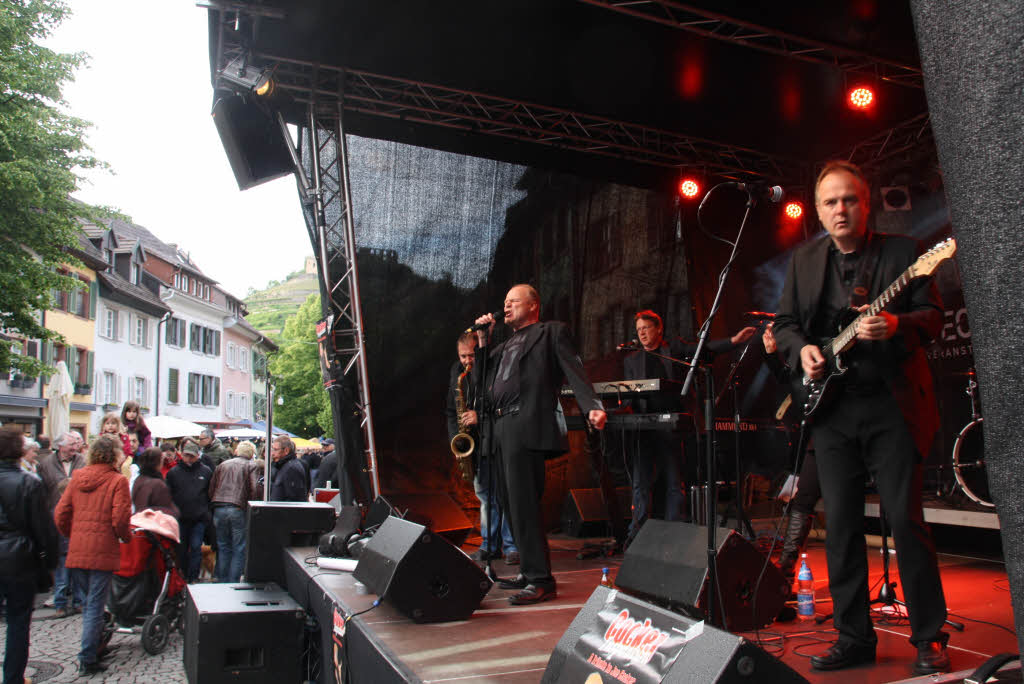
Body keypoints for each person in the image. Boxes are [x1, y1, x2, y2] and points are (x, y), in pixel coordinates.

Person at [773, 160, 949, 674]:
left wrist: (896, 324)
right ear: (819, 211)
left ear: (866, 204)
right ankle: (854, 637)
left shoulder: (904, 253)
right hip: (832, 410)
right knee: (842, 526)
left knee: (903, 519)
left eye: (849, 199)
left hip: (891, 404)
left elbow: (934, 319)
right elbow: (784, 324)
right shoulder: (804, 260)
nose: (840, 209)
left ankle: (928, 636)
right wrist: (802, 349)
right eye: (830, 202)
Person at [473, 284, 606, 605]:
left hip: (525, 423)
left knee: (523, 502)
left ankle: (541, 579)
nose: (505, 307)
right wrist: (482, 342)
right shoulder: (502, 345)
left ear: (533, 306)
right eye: (504, 302)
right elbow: (480, 381)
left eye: (513, 302)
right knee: (507, 501)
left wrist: (591, 405)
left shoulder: (550, 333)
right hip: (500, 427)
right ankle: (528, 570)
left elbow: (574, 369)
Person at [622, 311, 755, 543]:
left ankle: (675, 535)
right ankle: (637, 537)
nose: (642, 333)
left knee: (675, 482)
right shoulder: (631, 360)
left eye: (646, 328)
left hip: (671, 427)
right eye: (639, 329)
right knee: (640, 484)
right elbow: (629, 397)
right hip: (643, 429)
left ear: (658, 329)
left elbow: (703, 349)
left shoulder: (673, 350)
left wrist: (733, 341)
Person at [54, 434, 132, 675]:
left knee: (88, 603)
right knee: (94, 606)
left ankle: (94, 649)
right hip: (102, 549)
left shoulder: (77, 477)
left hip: (78, 549)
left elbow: (60, 514)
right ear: (114, 455)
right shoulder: (117, 481)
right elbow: (120, 519)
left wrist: (73, 534)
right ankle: (88, 657)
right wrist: (126, 537)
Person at [447, 332, 518, 564]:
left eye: (471, 356)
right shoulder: (456, 372)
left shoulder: (494, 367)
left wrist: (481, 416)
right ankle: (489, 545)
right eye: (463, 356)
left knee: (505, 495)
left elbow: (507, 402)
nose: (467, 361)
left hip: (497, 439)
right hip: (475, 445)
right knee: (486, 497)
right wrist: (456, 438)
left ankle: (511, 546)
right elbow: (450, 410)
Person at [761, 323, 822, 580]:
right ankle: (784, 572)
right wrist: (770, 353)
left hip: (843, 431)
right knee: (802, 500)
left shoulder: (823, 344)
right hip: (817, 439)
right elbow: (786, 376)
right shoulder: (799, 362)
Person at [0, 426, 59, 684]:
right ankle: (13, 678)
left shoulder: (29, 481)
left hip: (16, 553)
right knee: (18, 621)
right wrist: (51, 561)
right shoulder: (27, 482)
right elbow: (44, 529)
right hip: (18, 558)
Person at [36, 430, 87, 617]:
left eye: (76, 444)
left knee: (79, 561)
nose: (75, 448)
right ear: (60, 446)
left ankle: (80, 600)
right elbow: (42, 492)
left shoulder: (82, 460)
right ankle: (60, 601)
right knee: (62, 560)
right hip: (56, 515)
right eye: (71, 444)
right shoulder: (46, 464)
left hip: (79, 515)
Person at [208, 440, 262, 582]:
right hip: (238, 508)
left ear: (237, 451)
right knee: (239, 548)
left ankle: (221, 580)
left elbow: (212, 487)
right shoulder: (252, 465)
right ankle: (232, 582)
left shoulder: (223, 465)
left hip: (219, 507)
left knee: (223, 546)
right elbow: (255, 489)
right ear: (251, 454)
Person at [165, 440, 212, 582]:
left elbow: (210, 493)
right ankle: (182, 577)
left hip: (199, 518)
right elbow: (169, 494)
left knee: (196, 547)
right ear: (181, 455)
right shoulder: (174, 472)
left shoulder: (206, 471)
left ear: (197, 456)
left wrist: (206, 512)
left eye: (191, 456)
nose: (189, 459)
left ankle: (193, 577)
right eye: (186, 456)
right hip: (181, 518)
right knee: (182, 550)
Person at [131, 447, 179, 518]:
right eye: (162, 460)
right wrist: (175, 512)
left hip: (139, 521)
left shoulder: (138, 479)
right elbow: (166, 509)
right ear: (158, 462)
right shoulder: (158, 484)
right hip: (153, 523)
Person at [269, 436, 308, 502]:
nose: (272, 453)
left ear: (286, 450)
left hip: (283, 511)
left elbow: (294, 500)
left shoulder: (291, 468)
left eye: (275, 450)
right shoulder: (283, 466)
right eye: (272, 449)